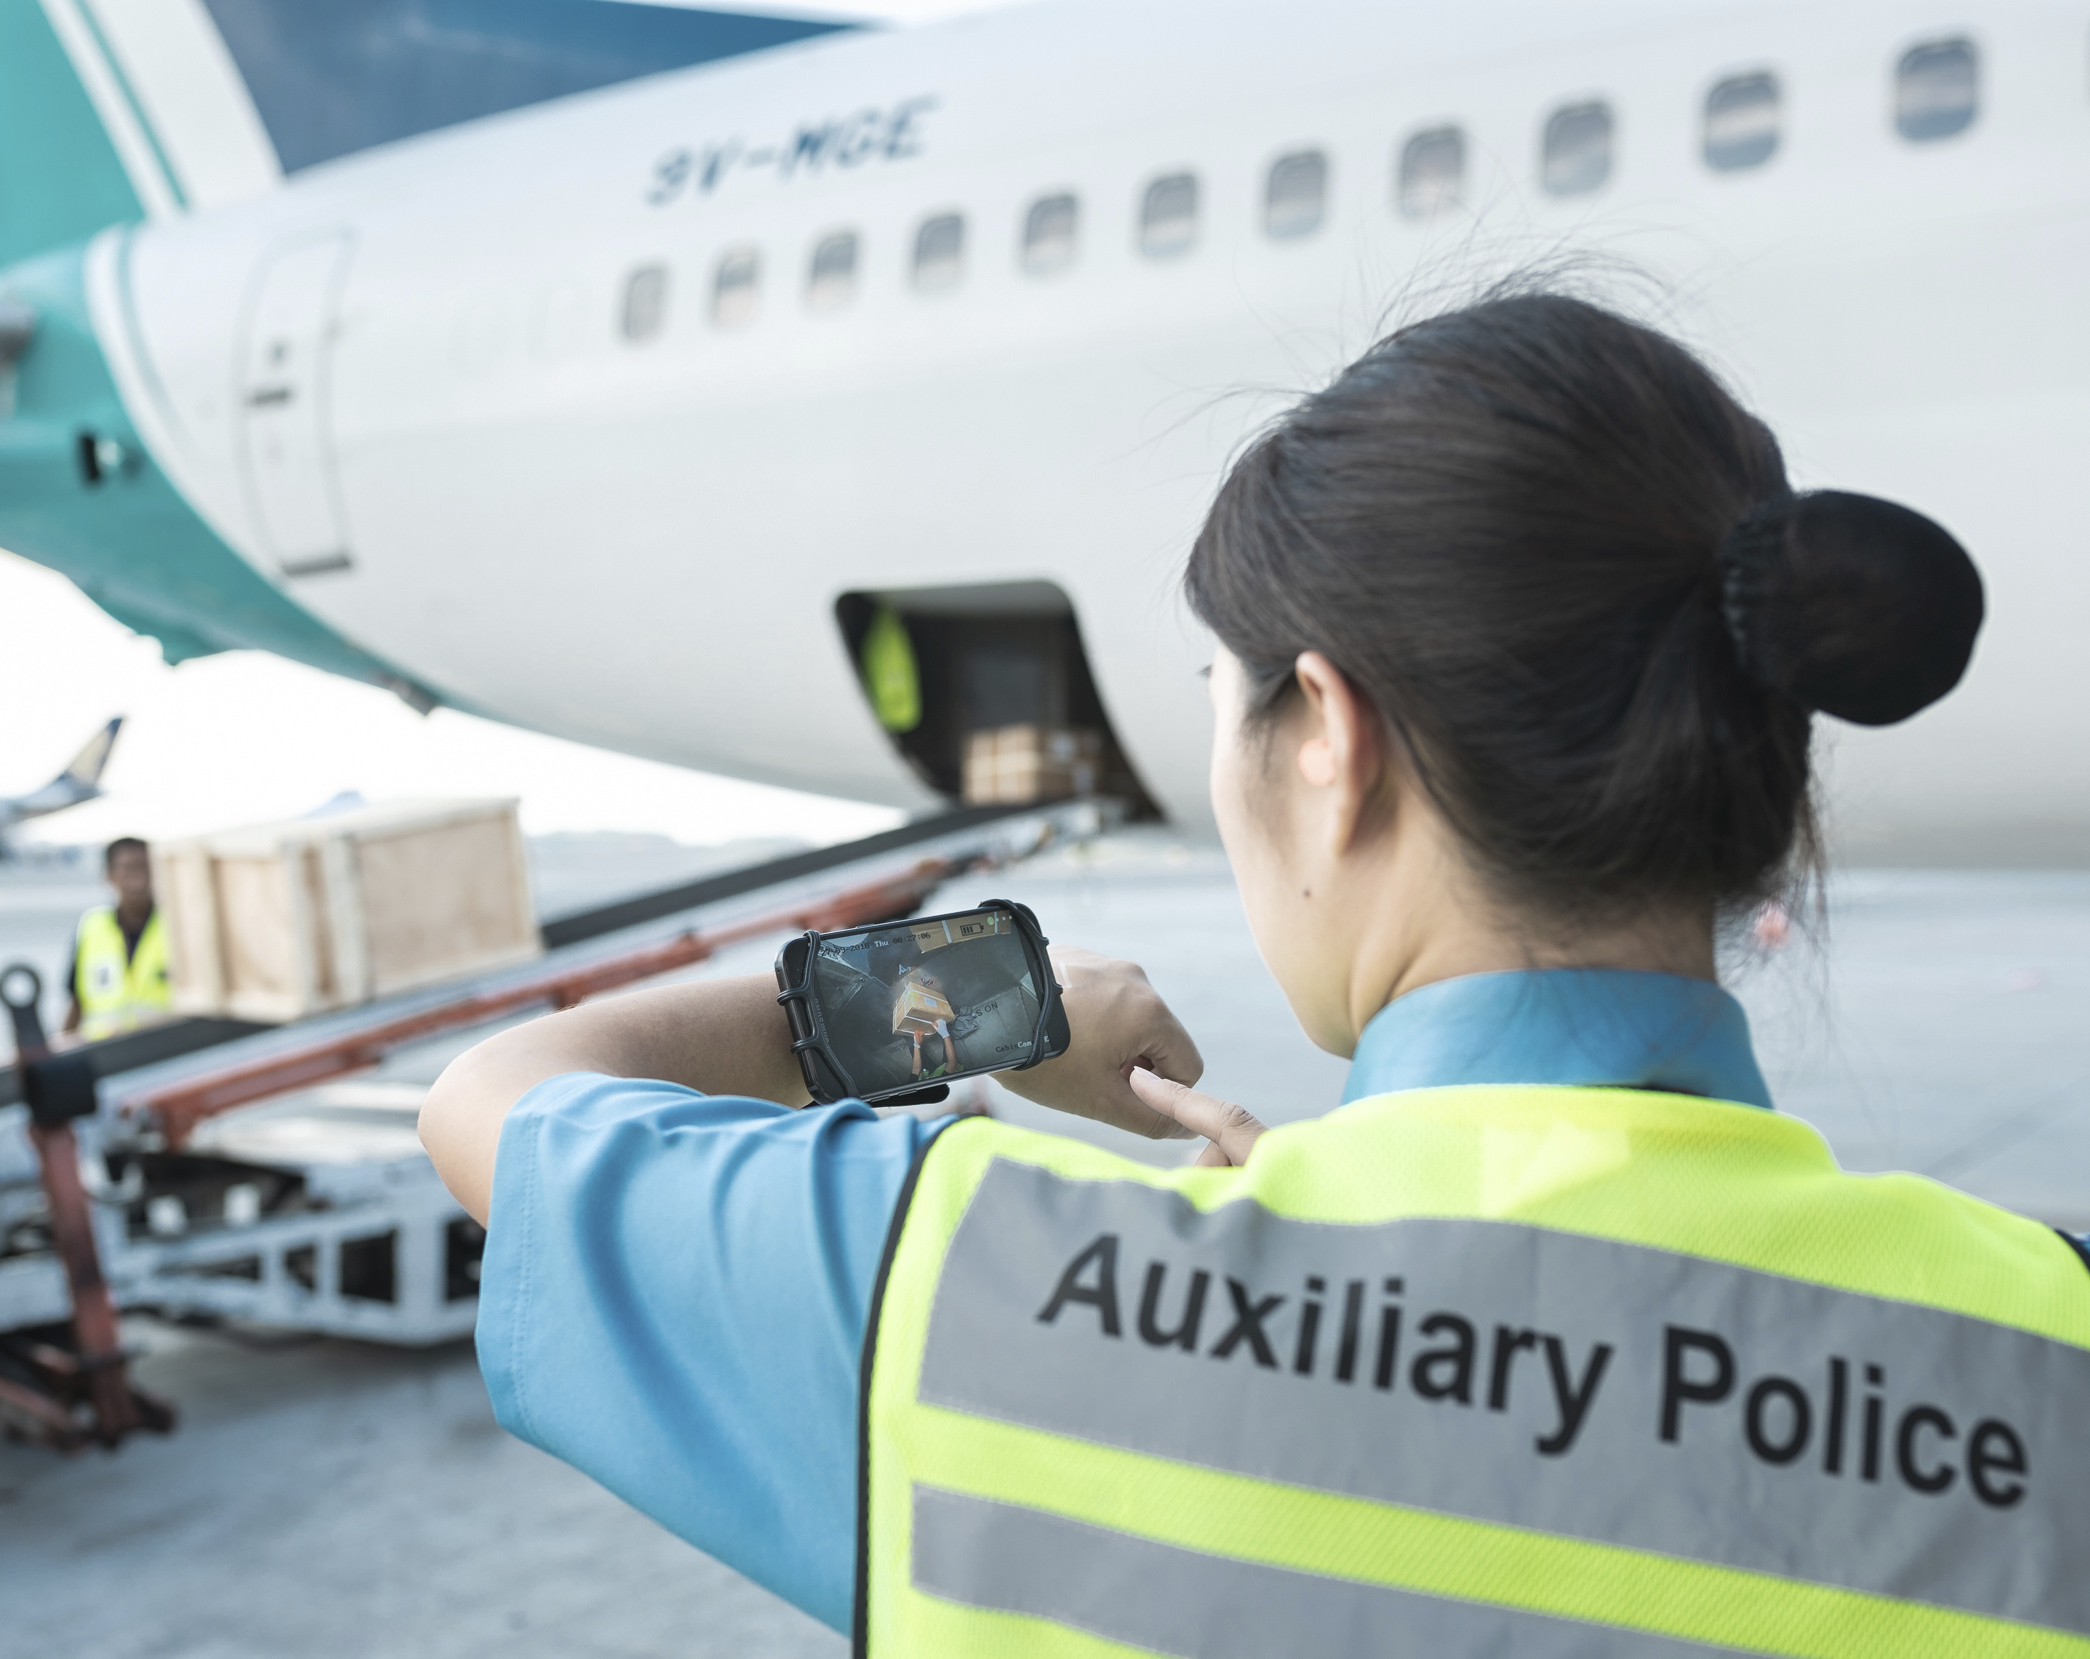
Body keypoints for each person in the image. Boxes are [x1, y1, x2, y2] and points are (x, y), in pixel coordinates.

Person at [417, 293, 2080, 1653]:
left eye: (1219, 702)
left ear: (1328, 739)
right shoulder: (2044, 1340)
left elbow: (493, 1101)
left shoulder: (965, 1293)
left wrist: (991, 1001)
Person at [63, 835, 168, 1041]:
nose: (138, 878)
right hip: (105, 1054)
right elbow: (77, 1002)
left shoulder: (176, 926)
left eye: (144, 868)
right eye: (128, 869)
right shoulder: (91, 927)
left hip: (167, 1052)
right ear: (110, 875)